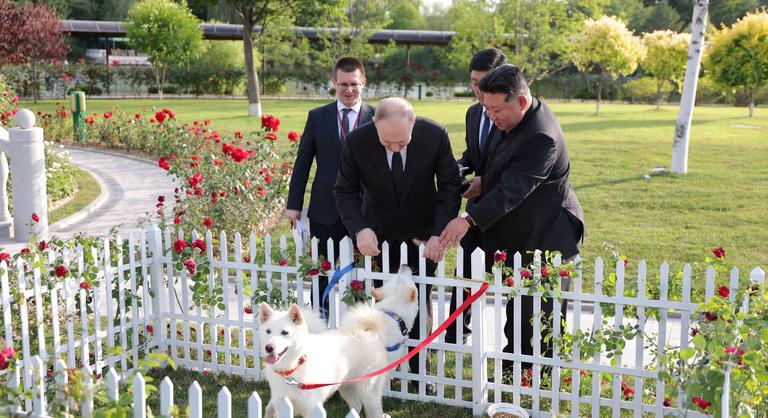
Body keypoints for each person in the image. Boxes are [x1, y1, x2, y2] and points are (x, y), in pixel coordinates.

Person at [439, 64, 585, 372]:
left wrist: (467, 219)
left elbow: (514, 189)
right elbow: (500, 168)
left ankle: (533, 378)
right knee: (517, 310)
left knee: (535, 318)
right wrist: (481, 183)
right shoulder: (510, 120)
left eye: (495, 110)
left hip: (547, 235)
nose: (490, 117)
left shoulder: (541, 136)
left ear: (520, 101)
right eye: (486, 109)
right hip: (517, 231)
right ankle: (512, 371)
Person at [334, 97, 460, 380]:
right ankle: (385, 369)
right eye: (387, 142)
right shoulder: (357, 141)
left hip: (424, 237)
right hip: (378, 237)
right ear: (375, 126)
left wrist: (437, 234)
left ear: (413, 126)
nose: (394, 148)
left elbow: (450, 187)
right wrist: (359, 229)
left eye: (402, 143)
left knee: (420, 299)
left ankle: (419, 372)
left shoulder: (435, 135)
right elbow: (344, 191)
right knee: (383, 304)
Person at [286, 57, 375, 316]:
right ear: (334, 83)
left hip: (363, 209)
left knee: (360, 273)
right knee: (320, 272)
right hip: (325, 209)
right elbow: (302, 162)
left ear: (363, 83)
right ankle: (319, 321)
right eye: (343, 84)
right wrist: (293, 204)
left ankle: (358, 324)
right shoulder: (318, 117)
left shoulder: (377, 116)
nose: (349, 90)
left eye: (354, 84)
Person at [447, 48, 508, 345]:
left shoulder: (511, 115)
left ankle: (515, 346)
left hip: (509, 208)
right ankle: (456, 334)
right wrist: (458, 167)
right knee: (464, 275)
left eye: (486, 83)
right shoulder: (473, 113)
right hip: (476, 208)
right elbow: (475, 153)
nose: (480, 91)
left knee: (512, 281)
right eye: (474, 83)